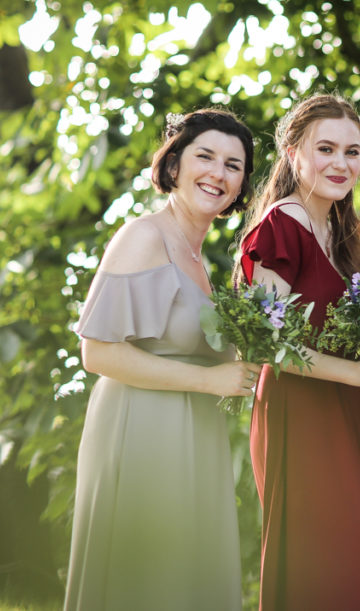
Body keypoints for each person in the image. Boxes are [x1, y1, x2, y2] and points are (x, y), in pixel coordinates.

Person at [64, 109, 260, 611]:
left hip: (196, 432)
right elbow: (98, 351)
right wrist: (211, 380)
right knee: (146, 580)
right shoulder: (143, 236)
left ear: (241, 185)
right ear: (173, 166)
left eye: (233, 165)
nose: (218, 173)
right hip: (139, 430)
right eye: (206, 157)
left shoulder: (202, 260)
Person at [236, 93, 360, 610]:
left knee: (359, 558)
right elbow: (270, 342)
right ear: (292, 153)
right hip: (299, 410)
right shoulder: (279, 227)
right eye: (325, 148)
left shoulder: (340, 229)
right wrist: (355, 373)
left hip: (346, 408)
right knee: (324, 562)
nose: (341, 163)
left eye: (352, 152)